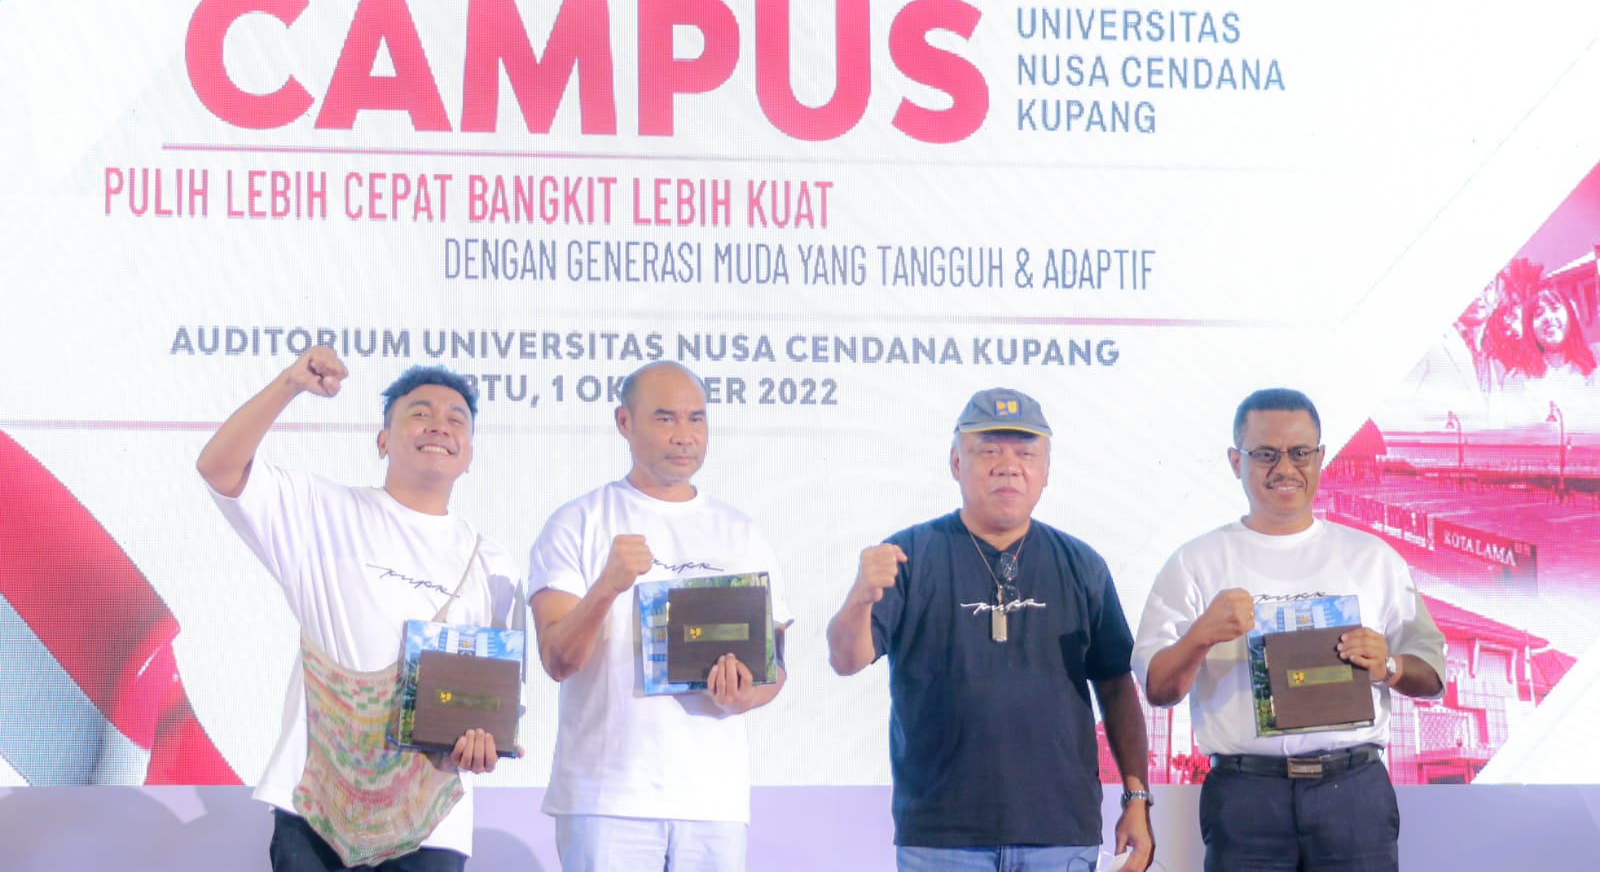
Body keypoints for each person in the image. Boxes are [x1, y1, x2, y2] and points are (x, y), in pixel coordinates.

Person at [197, 348, 523, 872]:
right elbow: (219, 466)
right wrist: (290, 383)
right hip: (314, 805)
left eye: (456, 419)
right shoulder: (322, 511)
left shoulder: (493, 563)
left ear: (468, 454)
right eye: (420, 413)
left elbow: (492, 702)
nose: (439, 425)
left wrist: (483, 744)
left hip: (432, 823)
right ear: (382, 439)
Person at [826, 387, 1155, 872]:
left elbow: (1116, 686)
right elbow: (845, 660)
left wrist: (1136, 798)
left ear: (1046, 471)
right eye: (989, 451)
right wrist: (859, 597)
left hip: (1059, 833)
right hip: (942, 837)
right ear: (956, 462)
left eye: (1026, 454)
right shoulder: (907, 555)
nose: (1008, 467)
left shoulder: (1082, 564)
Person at [1132, 387, 1446, 872]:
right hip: (1246, 796)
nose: (1285, 468)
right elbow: (1158, 689)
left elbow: (1432, 676)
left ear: (1320, 458)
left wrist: (1388, 665)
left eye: (1300, 452)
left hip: (1353, 793)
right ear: (1235, 461)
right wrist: (1201, 635)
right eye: (1265, 454)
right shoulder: (1196, 562)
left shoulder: (1372, 558)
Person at [527, 361, 790, 872]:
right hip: (606, 798)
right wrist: (608, 586)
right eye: (665, 418)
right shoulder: (577, 522)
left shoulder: (741, 531)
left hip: (712, 801)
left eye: (696, 418)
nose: (684, 435)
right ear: (624, 422)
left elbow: (776, 665)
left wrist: (744, 695)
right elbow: (557, 659)